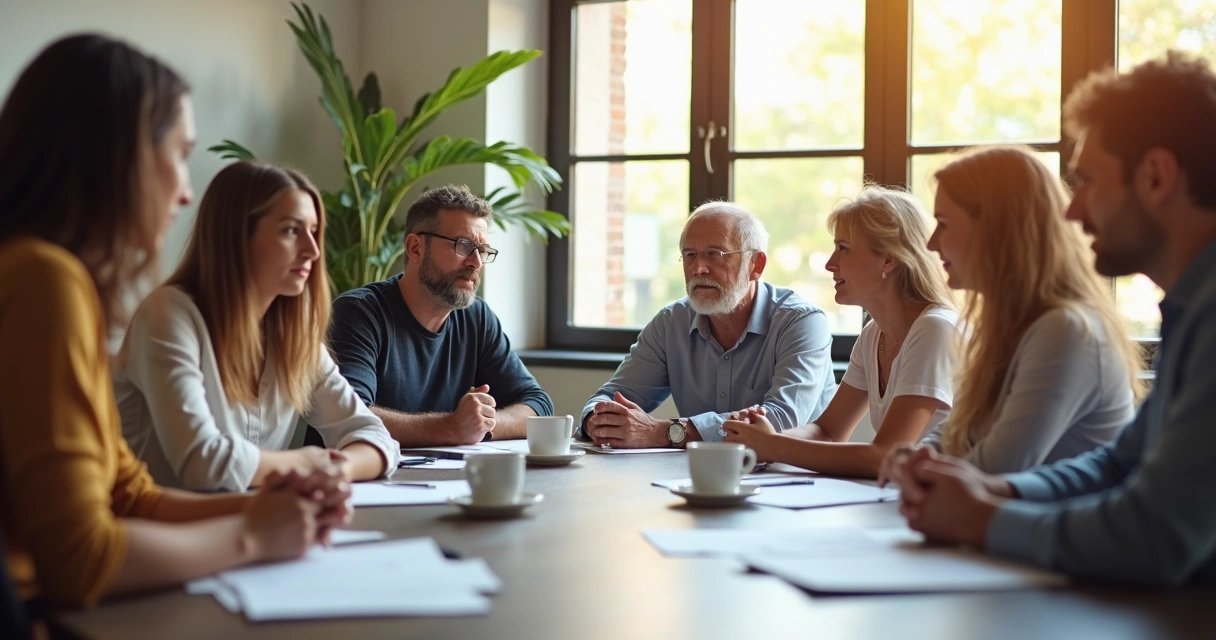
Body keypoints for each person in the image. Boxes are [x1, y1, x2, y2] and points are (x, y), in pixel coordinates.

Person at [0, 34, 347, 608]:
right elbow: (81, 560)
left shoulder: (56, 280)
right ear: (119, 157)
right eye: (180, 154)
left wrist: (281, 507)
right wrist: (254, 534)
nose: (186, 194)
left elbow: (128, 495)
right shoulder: (43, 278)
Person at [882, 52, 1216, 586]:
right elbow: (1116, 465)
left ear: (1156, 177)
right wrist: (1000, 494)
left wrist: (983, 518)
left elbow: (1157, 534)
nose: (1072, 210)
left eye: (1088, 180)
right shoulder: (1191, 308)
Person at [114, 161, 400, 491]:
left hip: (253, 526)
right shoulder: (168, 317)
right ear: (236, 236)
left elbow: (375, 436)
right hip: (162, 533)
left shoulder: (293, 333)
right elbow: (203, 463)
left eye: (313, 231)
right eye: (291, 231)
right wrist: (310, 462)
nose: (313, 250)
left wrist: (340, 470)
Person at [909, 144, 1142, 473]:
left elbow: (998, 469)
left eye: (944, 223)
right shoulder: (1009, 326)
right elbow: (958, 430)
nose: (932, 243)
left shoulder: (1066, 330)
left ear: (996, 229)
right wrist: (916, 457)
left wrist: (918, 472)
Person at [722, 186, 957, 477]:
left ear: (888, 259)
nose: (829, 263)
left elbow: (886, 456)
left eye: (843, 248)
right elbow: (828, 431)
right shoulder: (874, 335)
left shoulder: (935, 329)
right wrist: (758, 439)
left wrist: (772, 446)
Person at [581, 202, 837, 449]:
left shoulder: (802, 322)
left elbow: (780, 420)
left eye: (715, 254)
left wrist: (663, 432)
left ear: (755, 265)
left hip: (795, 480)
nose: (698, 268)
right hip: (701, 478)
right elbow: (610, 397)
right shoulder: (671, 323)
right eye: (689, 255)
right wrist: (599, 421)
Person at [328, 185, 553, 447]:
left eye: (481, 250)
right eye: (463, 245)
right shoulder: (359, 313)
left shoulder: (476, 317)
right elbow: (348, 416)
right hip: (352, 482)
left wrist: (483, 424)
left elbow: (538, 404)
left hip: (439, 483)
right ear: (415, 248)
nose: (476, 263)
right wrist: (450, 427)